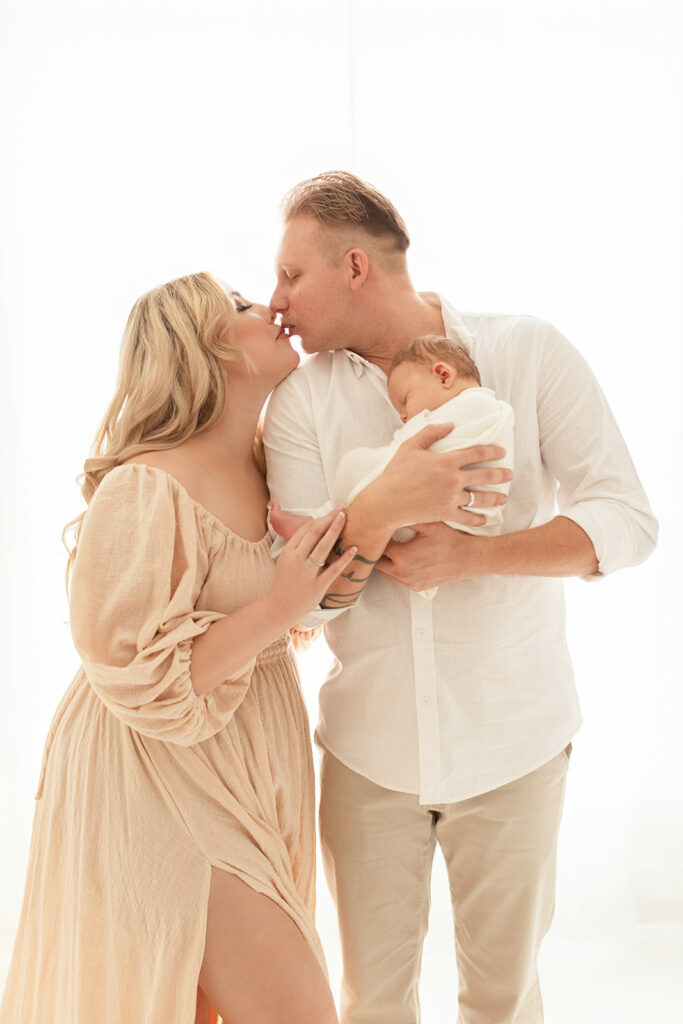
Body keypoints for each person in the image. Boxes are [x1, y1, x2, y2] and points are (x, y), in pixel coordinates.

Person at [263, 171, 658, 1024]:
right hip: (369, 755)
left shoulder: (529, 352)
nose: (275, 299)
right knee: (370, 1004)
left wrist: (476, 556)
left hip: (514, 744)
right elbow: (298, 609)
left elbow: (626, 521)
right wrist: (378, 508)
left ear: (355, 266)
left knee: (502, 1004)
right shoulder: (297, 405)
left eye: (292, 274)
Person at [0, 272, 357, 1024]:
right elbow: (133, 673)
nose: (269, 307)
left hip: (238, 769)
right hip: (154, 777)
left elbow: (286, 619)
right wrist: (277, 605)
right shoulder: (145, 486)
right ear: (207, 349)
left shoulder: (271, 471)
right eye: (237, 306)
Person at [320, 333, 515, 598]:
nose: (402, 415)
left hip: (450, 521)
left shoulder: (474, 406)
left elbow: (404, 455)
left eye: (405, 398)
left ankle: (321, 521)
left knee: (354, 466)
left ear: (443, 375)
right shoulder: (492, 409)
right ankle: (323, 525)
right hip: (459, 524)